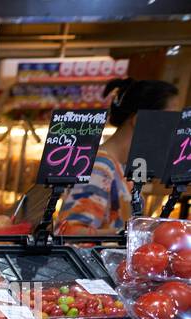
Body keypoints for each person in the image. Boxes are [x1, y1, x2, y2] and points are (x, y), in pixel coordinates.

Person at [56, 77, 178, 235]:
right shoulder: (100, 167)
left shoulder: (125, 168)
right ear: (138, 120)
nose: (174, 129)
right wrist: (133, 235)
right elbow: (70, 233)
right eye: (170, 120)